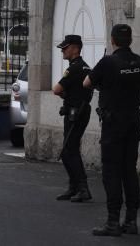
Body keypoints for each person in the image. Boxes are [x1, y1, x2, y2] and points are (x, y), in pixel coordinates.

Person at [83, 24, 140, 237]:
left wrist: (103, 84)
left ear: (112, 40)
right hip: (133, 120)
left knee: (111, 171)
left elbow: (86, 83)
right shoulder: (139, 62)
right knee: (129, 170)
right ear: (130, 39)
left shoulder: (108, 62)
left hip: (114, 123)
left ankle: (112, 222)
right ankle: (131, 220)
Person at [52, 34, 93, 202]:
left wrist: (65, 95)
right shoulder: (85, 67)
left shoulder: (74, 68)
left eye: (66, 47)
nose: (63, 50)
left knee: (70, 151)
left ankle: (82, 188)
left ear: (75, 48)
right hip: (80, 111)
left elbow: (56, 89)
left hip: (75, 113)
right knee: (70, 149)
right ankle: (74, 187)